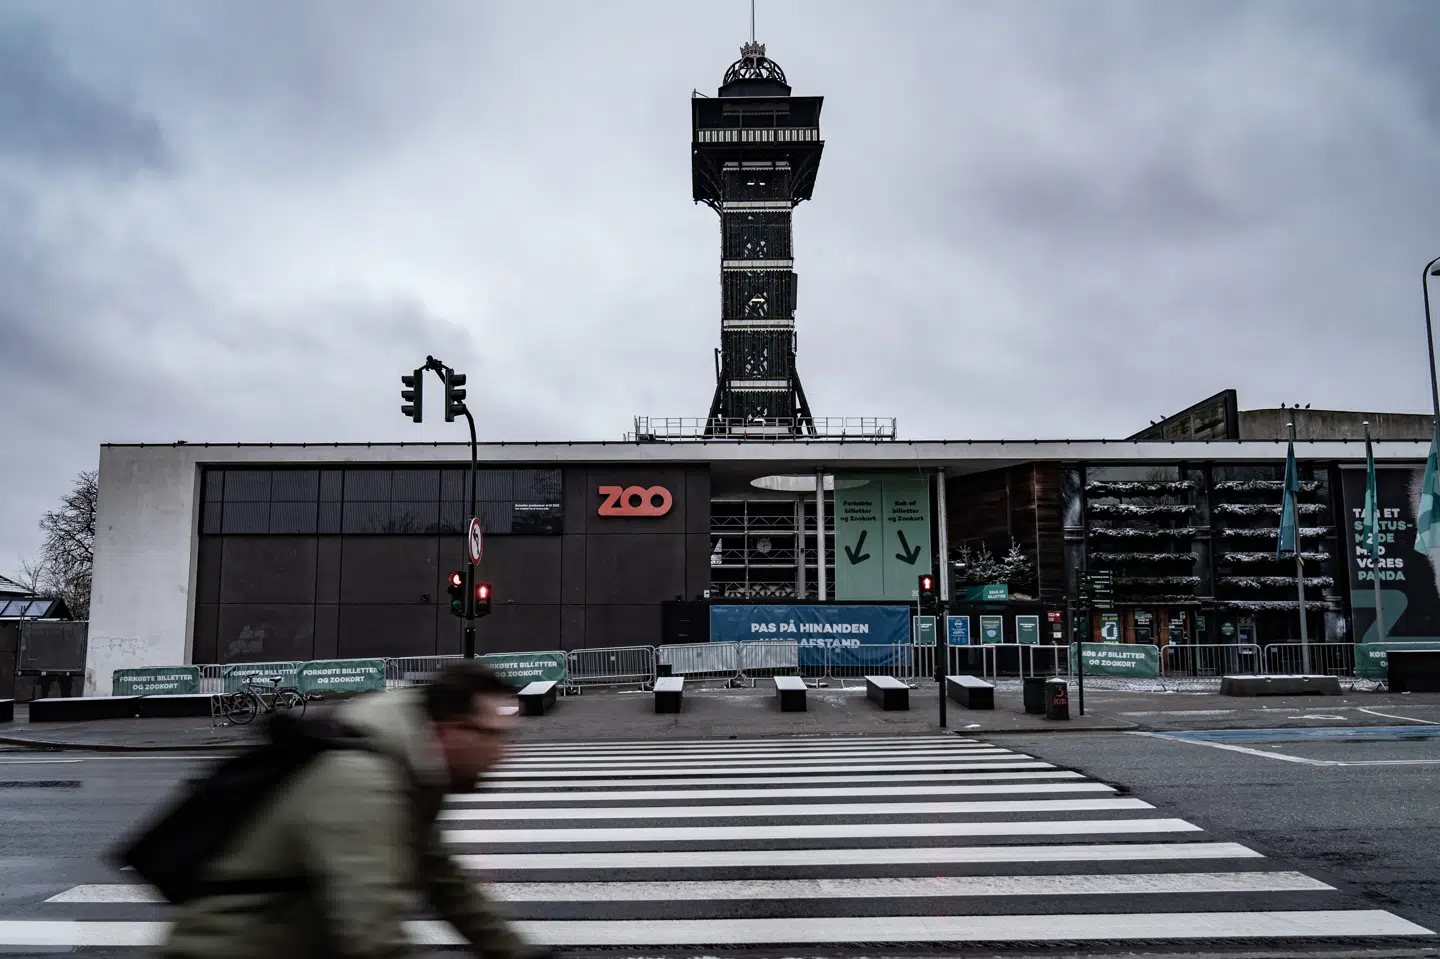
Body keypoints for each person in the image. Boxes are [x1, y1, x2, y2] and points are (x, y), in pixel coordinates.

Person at [161, 661, 544, 959]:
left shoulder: (410, 770)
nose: (502, 753)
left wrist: (516, 952)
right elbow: (376, 936)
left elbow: (444, 881)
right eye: (493, 735)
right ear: (450, 730)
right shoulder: (363, 782)